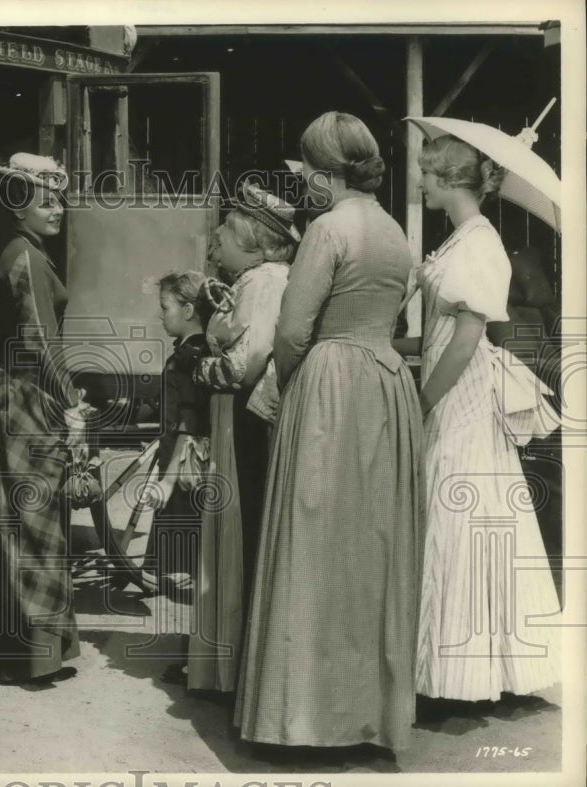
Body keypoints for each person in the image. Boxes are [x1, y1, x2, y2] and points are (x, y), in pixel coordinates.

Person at [233, 111, 424, 752]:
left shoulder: (326, 228)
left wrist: (290, 383)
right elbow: (395, 318)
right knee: (369, 549)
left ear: (320, 173)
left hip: (333, 382)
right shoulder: (396, 231)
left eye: (305, 170)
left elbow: (291, 331)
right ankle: (367, 714)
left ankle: (304, 718)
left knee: (313, 545)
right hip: (387, 382)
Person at [397, 134, 560, 702]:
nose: (419, 182)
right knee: (456, 512)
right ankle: (460, 660)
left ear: (445, 179)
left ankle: (465, 668)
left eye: (425, 173)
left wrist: (422, 402)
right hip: (449, 381)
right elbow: (443, 331)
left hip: (460, 392)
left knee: (459, 510)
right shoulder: (463, 238)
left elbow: (467, 338)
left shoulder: (481, 245)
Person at [0, 153, 86, 684]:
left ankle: (16, 655)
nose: (57, 208)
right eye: (44, 200)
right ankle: (22, 658)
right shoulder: (24, 256)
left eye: (59, 199)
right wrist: (71, 400)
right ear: (17, 205)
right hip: (22, 403)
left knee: (13, 530)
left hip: (17, 399)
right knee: (25, 531)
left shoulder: (26, 251)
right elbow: (38, 340)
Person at [186, 183, 300, 693]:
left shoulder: (264, 281)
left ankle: (231, 669)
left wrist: (197, 366)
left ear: (254, 241)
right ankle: (221, 661)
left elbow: (244, 365)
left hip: (241, 417)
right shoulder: (255, 278)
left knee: (237, 526)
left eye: (229, 228)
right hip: (234, 416)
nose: (218, 234)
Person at [142, 270, 212, 592]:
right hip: (175, 449)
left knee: (176, 509)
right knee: (171, 513)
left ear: (187, 311)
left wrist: (169, 477)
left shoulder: (189, 358)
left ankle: (166, 574)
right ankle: (159, 571)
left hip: (182, 456)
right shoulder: (191, 352)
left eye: (165, 307)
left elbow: (189, 416)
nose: (160, 315)